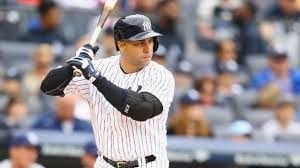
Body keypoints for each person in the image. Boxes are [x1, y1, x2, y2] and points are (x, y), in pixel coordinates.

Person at [40, 14, 175, 168]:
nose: (147, 48)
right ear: (122, 44)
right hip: (105, 163)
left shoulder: (161, 75)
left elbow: (141, 110)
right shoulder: (100, 68)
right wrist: (72, 66)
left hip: (147, 163)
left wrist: (96, 78)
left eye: (150, 41)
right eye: (139, 43)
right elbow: (48, 87)